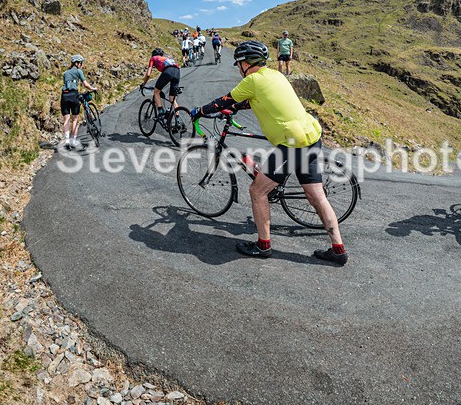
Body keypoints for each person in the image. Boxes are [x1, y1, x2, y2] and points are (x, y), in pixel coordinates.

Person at [189, 41, 348, 265]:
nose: (237, 67)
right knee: (317, 196)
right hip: (312, 136)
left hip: (292, 145)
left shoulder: (251, 80)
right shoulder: (275, 75)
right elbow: (255, 100)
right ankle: (338, 249)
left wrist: (200, 111)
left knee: (257, 192)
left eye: (238, 63)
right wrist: (235, 107)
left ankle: (263, 245)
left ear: (245, 63)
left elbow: (224, 100)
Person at [60, 54, 97, 149]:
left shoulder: (65, 73)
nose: (81, 65)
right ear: (77, 63)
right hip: (73, 96)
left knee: (66, 119)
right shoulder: (78, 71)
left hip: (64, 96)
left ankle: (67, 141)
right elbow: (85, 84)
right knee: (75, 119)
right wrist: (93, 88)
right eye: (81, 63)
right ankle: (73, 141)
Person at [140, 48, 181, 120]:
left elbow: (148, 74)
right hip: (177, 71)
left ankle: (161, 112)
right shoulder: (166, 58)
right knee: (172, 99)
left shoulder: (153, 58)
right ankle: (178, 121)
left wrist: (143, 84)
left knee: (156, 91)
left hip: (168, 71)